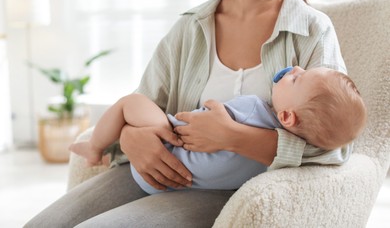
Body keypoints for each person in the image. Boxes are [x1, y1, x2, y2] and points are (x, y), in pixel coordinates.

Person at [25, 0, 354, 227]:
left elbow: (336, 144)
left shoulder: (313, 30)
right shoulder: (190, 29)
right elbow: (144, 102)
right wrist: (129, 138)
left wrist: (234, 137)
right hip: (161, 169)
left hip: (231, 191)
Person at [69, 66, 366, 194]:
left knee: (129, 103)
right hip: (177, 184)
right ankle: (114, 149)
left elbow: (196, 124)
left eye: (296, 80)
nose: (296, 69)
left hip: (166, 154)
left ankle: (96, 149)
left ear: (287, 117)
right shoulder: (270, 161)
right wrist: (131, 139)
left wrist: (150, 129)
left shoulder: (252, 108)